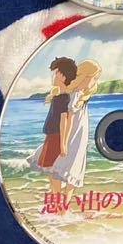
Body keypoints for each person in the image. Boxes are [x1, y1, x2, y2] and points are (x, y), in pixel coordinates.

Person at [47, 59, 102, 196]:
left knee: (71, 171)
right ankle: (58, 201)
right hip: (72, 138)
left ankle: (62, 204)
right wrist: (64, 143)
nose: (96, 82)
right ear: (85, 76)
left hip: (79, 139)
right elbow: (67, 119)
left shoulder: (82, 95)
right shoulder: (73, 95)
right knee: (60, 170)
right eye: (94, 78)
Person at [29, 57, 77, 197]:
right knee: (50, 169)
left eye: (55, 73)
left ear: (63, 76)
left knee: (52, 170)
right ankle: (55, 195)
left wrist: (63, 144)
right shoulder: (58, 96)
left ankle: (56, 197)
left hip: (56, 137)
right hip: (51, 136)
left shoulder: (64, 98)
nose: (53, 76)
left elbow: (64, 120)